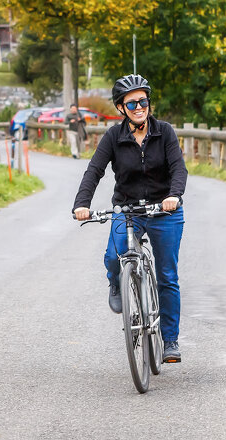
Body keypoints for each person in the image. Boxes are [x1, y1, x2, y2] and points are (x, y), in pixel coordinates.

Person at [73, 74, 187, 363]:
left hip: (164, 211)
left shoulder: (165, 132)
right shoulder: (114, 137)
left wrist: (173, 196)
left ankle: (170, 339)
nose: (139, 107)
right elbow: (94, 171)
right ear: (121, 108)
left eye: (143, 101)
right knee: (114, 256)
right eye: (132, 103)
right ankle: (117, 282)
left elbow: (178, 169)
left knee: (167, 276)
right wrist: (81, 204)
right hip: (128, 210)